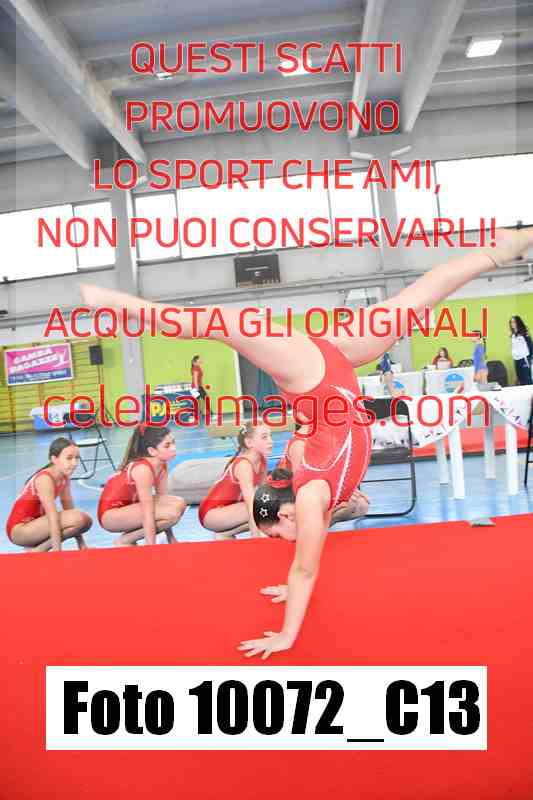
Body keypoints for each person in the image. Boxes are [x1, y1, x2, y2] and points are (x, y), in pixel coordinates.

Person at [79, 225, 533, 657]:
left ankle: (110, 301)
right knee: (413, 300)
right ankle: (498, 251)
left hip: (313, 375)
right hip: (326, 367)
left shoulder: (311, 492)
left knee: (210, 324)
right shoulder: (311, 494)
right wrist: (292, 582)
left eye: (279, 532)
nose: (286, 540)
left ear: (287, 511)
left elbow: (305, 567)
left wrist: (286, 635)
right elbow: (304, 557)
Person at [97, 424, 186, 546]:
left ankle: (129, 538)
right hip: (110, 515)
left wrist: (171, 539)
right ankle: (125, 540)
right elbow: (147, 513)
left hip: (128, 507)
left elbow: (162, 499)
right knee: (171, 513)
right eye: (167, 445)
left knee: (179, 503)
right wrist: (150, 547)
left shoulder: (162, 465)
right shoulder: (143, 469)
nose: (173, 448)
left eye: (173, 443)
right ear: (152, 451)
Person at [6, 437, 92, 552]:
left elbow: (69, 509)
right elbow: (52, 517)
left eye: (77, 458)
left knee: (85, 521)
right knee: (80, 518)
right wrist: (57, 551)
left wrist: (81, 545)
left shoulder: (64, 477)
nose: (74, 463)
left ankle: (37, 550)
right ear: (54, 459)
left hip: (36, 525)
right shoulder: (45, 479)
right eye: (69, 458)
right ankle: (39, 550)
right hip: (19, 530)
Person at [278, 424, 369, 524]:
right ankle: (307, 526)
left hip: (314, 488)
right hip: (291, 494)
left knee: (361, 505)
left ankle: (318, 525)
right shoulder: (299, 444)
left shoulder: (324, 439)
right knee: (349, 504)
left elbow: (333, 471)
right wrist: (337, 493)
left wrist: (348, 489)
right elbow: (300, 484)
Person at [199, 422, 272, 540]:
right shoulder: (244, 465)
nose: (270, 441)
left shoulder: (262, 460)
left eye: (270, 436)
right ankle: (229, 533)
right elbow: (250, 503)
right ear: (249, 443)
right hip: (211, 514)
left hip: (230, 509)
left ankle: (226, 533)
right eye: (264, 437)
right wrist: (256, 536)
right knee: (260, 507)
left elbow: (264, 494)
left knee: (270, 504)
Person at [509, 315, 533, 385]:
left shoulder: (524, 333)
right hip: (516, 360)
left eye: (514, 322)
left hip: (524, 359)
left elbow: (530, 345)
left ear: (518, 323)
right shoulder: (513, 335)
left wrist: (530, 358)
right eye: (511, 322)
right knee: (520, 380)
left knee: (527, 380)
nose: (512, 324)